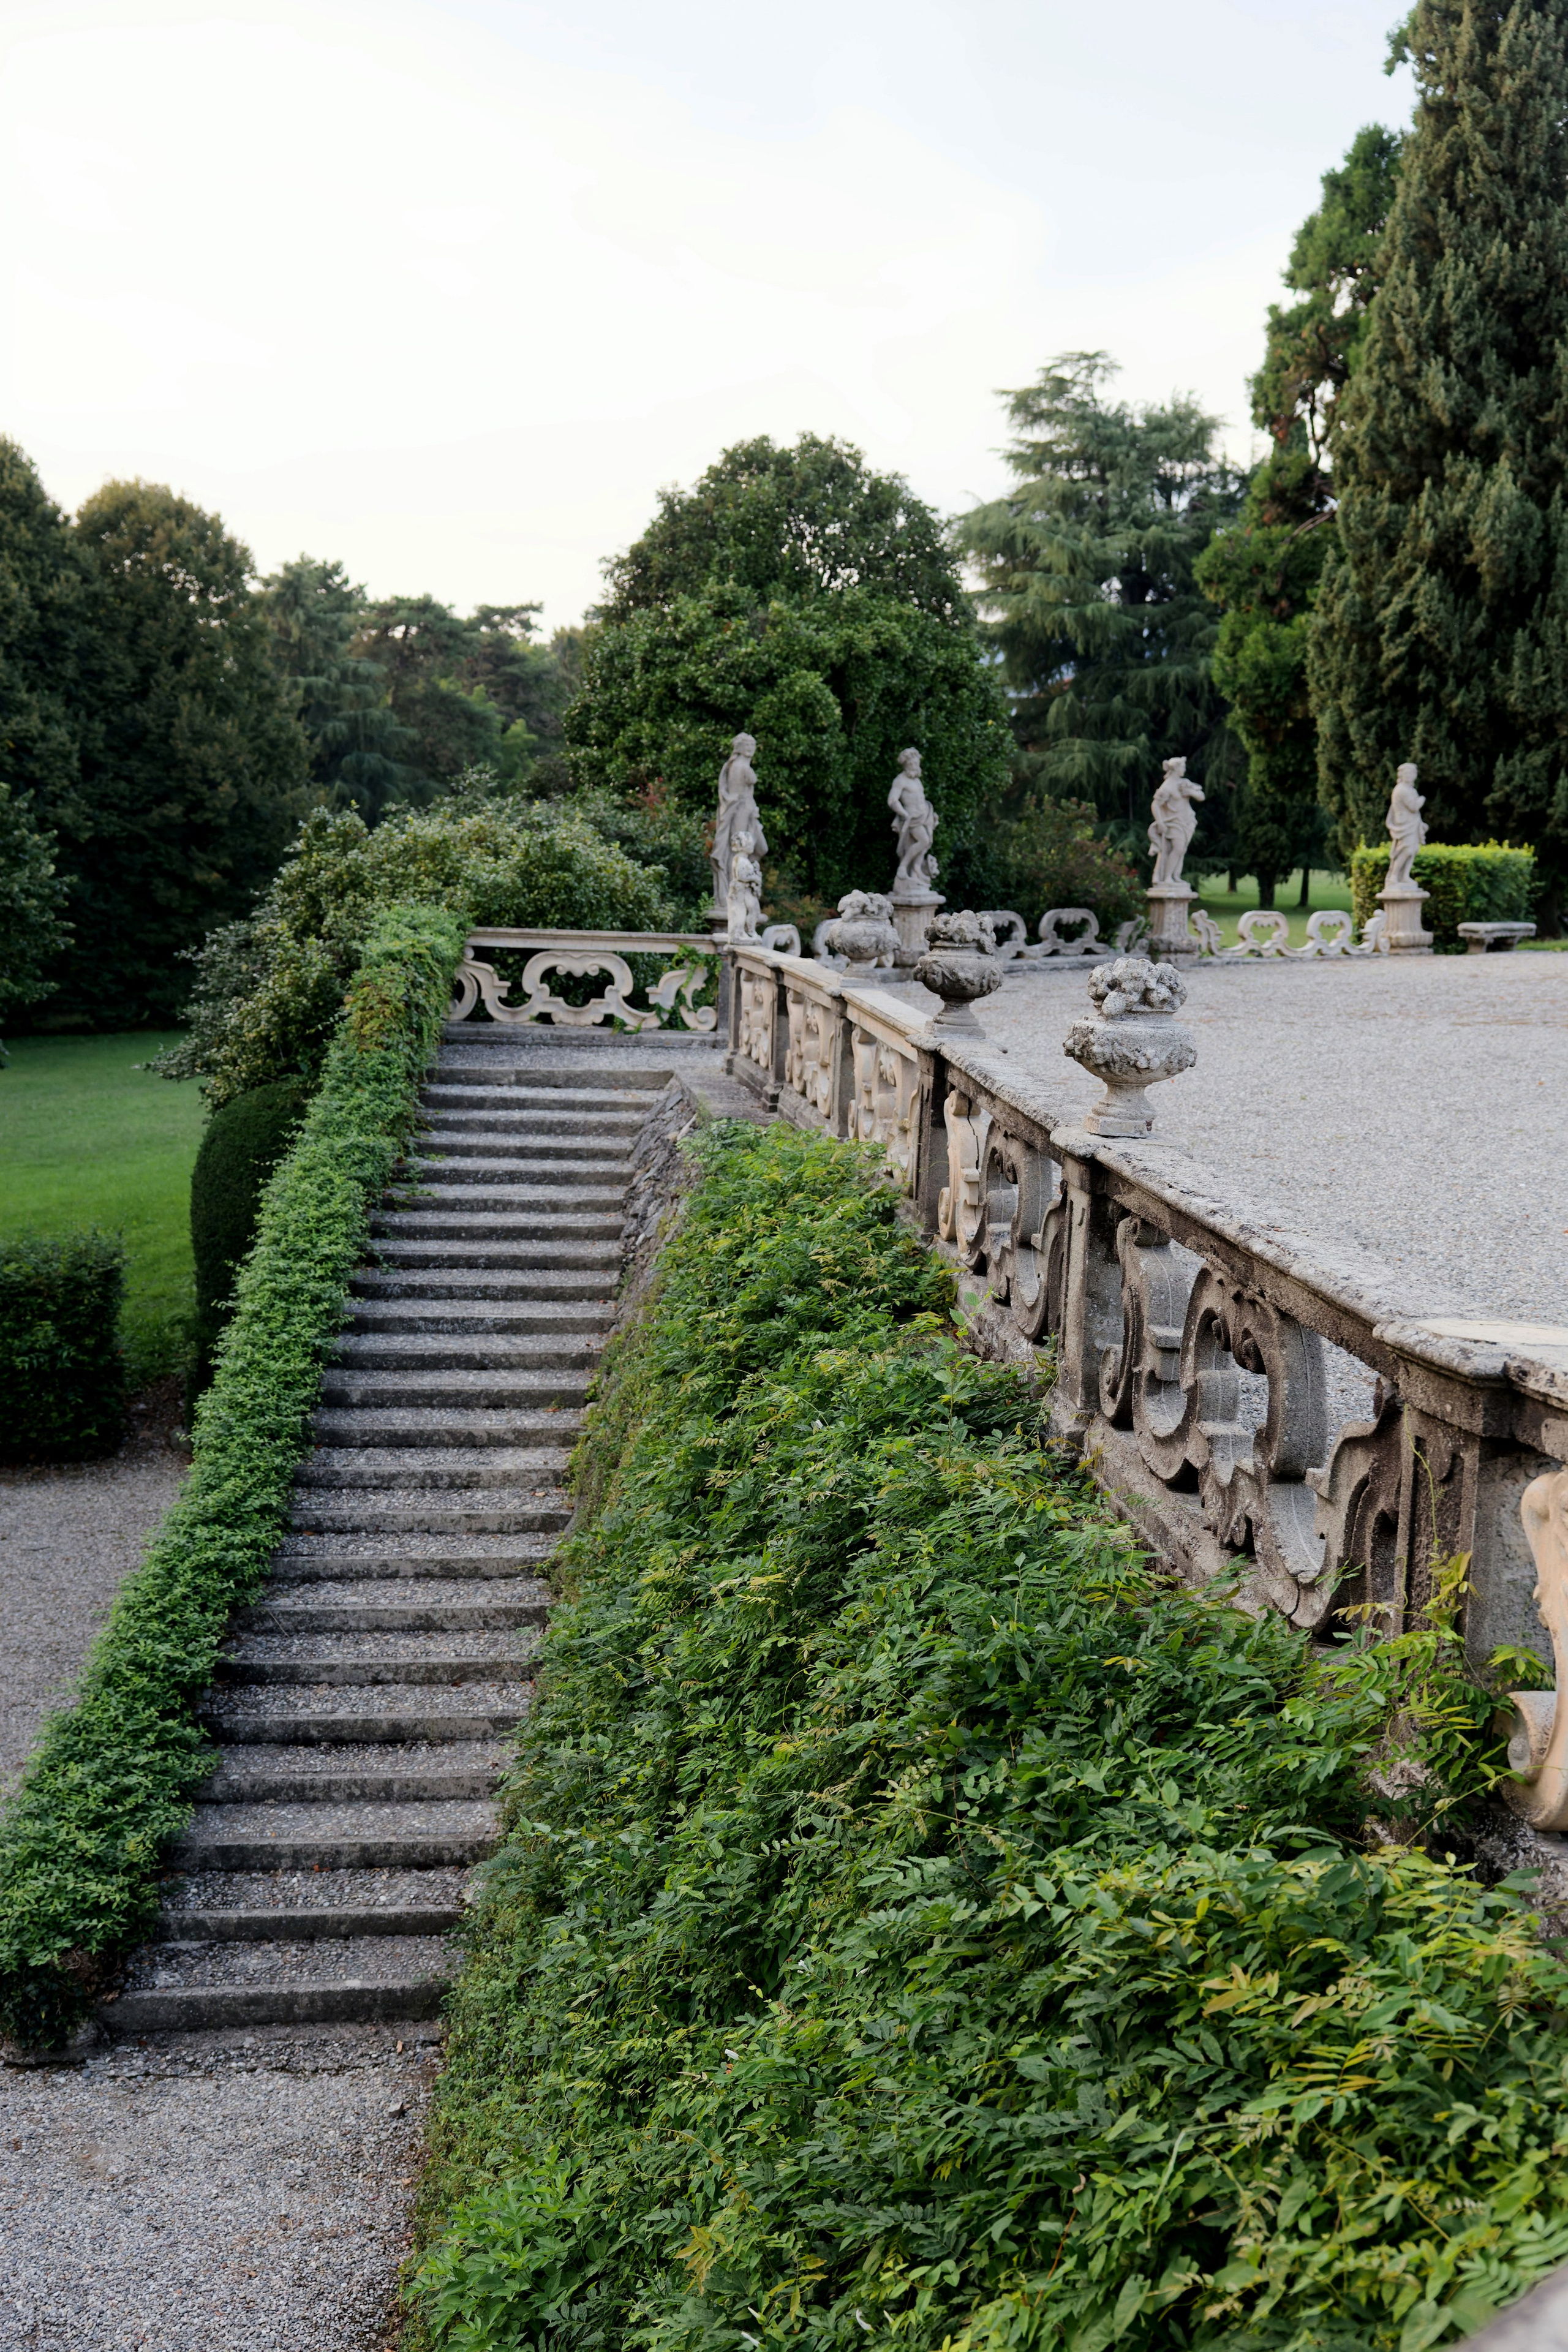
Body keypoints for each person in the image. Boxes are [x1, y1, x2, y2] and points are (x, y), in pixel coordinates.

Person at [710, 733, 767, 913]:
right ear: (739, 747)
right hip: (741, 811)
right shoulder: (739, 766)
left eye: (753, 744)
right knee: (739, 851)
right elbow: (738, 792)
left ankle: (745, 884)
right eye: (747, 744)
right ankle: (734, 890)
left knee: (761, 848)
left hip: (750, 811)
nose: (751, 748)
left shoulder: (740, 766)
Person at [888, 747, 939, 891]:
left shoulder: (916, 780)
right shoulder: (900, 780)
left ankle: (916, 871)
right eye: (912, 765)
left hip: (925, 816)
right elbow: (892, 800)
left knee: (925, 844)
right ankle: (903, 867)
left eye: (917, 764)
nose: (915, 767)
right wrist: (904, 813)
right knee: (924, 841)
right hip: (912, 818)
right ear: (906, 765)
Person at [1147, 757, 1204, 886]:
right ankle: (1167, 877)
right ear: (1175, 769)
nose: (1184, 770)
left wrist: (1190, 792)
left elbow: (1201, 796)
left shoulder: (1184, 783)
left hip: (1187, 822)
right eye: (1182, 767)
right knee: (1178, 848)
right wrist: (1160, 822)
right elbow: (1155, 805)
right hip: (1173, 822)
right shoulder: (1167, 787)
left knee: (1181, 849)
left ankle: (1175, 875)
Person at [1385, 761, 1428, 891]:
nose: (1410, 776)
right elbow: (1414, 807)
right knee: (1406, 850)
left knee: (1413, 850)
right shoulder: (1401, 789)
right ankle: (1393, 877)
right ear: (1402, 775)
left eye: (1412, 773)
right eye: (1407, 773)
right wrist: (1422, 799)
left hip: (1412, 823)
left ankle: (1404, 876)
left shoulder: (1411, 790)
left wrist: (1421, 824)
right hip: (1404, 825)